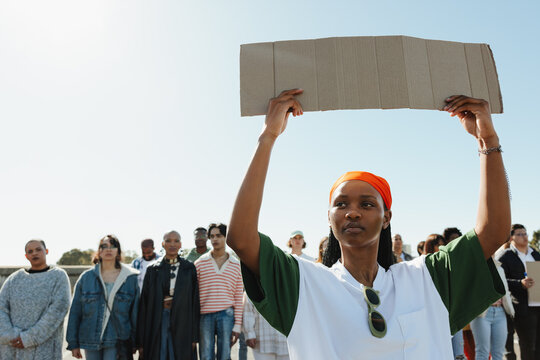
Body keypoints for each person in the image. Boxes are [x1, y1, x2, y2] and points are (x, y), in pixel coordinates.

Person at [226, 89, 510, 359]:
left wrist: (487, 139)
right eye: (341, 204)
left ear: (386, 218)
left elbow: (493, 231)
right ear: (329, 218)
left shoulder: (426, 278)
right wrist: (268, 136)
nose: (352, 213)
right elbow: (240, 237)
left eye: (366, 204)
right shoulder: (304, 283)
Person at [66, 235, 139, 360]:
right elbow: (75, 312)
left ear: (118, 251)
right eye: (104, 246)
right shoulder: (86, 277)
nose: (108, 249)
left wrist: (136, 341)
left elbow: (135, 313)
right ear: (99, 252)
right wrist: (73, 343)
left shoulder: (130, 278)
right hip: (90, 339)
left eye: (113, 246)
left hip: (118, 338)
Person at [0, 239, 70, 360]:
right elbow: (1, 307)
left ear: (46, 251)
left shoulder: (58, 276)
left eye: (38, 249)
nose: (34, 253)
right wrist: (9, 335)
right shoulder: (14, 279)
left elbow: (58, 309)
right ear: (26, 256)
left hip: (44, 347)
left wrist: (29, 338)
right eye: (30, 251)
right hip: (12, 348)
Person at [136, 230, 199, 360]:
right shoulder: (153, 269)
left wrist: (194, 336)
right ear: (163, 244)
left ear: (181, 244)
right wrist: (140, 340)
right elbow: (144, 304)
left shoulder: (189, 268)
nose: (172, 244)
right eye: (169, 241)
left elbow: (194, 303)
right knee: (160, 353)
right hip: (158, 318)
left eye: (176, 241)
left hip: (183, 320)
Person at [195, 223, 243, 360]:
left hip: (227, 315)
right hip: (205, 316)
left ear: (226, 237)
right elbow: (194, 295)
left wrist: (238, 325)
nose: (215, 239)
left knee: (224, 356)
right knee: (205, 356)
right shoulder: (199, 263)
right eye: (212, 236)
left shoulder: (236, 265)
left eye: (219, 236)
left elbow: (238, 296)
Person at [498, 224, 540, 360]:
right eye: (520, 234)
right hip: (522, 307)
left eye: (525, 233)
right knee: (528, 343)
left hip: (538, 303)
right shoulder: (506, 257)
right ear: (511, 238)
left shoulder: (535, 254)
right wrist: (520, 283)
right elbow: (501, 281)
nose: (524, 237)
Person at [470, 257, 514, 360]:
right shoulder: (473, 266)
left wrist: (511, 310)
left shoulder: (499, 268)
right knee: (482, 352)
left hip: (500, 312)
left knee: (498, 353)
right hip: (481, 313)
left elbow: (505, 291)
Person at [244, 294, 289, 360]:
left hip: (285, 342)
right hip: (263, 341)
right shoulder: (255, 285)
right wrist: (250, 333)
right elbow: (248, 309)